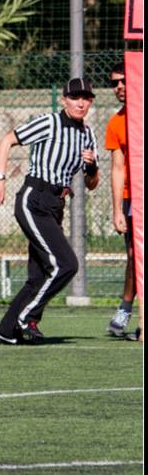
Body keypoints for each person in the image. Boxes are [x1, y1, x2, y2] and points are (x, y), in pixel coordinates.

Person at [0, 77, 100, 345]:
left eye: (86, 98)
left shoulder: (88, 134)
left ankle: (5, 331)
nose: (81, 103)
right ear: (64, 100)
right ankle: (26, 318)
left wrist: (93, 166)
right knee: (66, 264)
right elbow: (7, 140)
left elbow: (92, 184)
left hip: (55, 205)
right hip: (34, 199)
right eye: (75, 97)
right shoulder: (49, 122)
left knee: (38, 275)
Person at [103, 64, 138, 339]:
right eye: (115, 83)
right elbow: (117, 168)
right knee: (133, 257)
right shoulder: (116, 122)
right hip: (131, 199)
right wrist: (116, 209)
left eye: (124, 81)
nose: (120, 87)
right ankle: (125, 309)